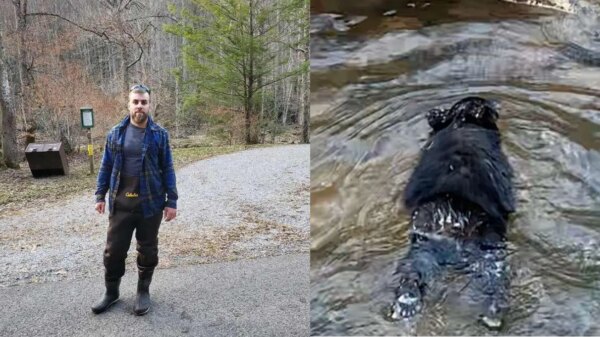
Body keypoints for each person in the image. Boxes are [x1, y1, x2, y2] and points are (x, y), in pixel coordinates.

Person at [92, 84, 178, 316]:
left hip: (150, 203)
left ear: (149, 105)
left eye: (144, 102)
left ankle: (143, 291)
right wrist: (100, 195)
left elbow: (167, 168)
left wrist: (172, 201)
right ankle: (112, 292)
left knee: (147, 249)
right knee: (113, 251)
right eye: (136, 102)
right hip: (121, 204)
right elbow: (106, 167)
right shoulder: (115, 133)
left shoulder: (160, 135)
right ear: (129, 104)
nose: (140, 106)